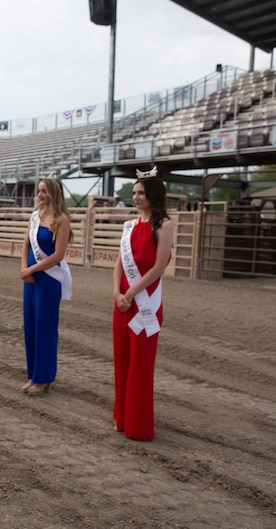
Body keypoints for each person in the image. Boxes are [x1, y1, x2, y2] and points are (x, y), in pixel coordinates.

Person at [112, 167, 173, 441]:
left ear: (152, 194)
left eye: (140, 192)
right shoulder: (129, 227)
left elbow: (159, 267)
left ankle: (138, 424)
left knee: (141, 365)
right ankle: (122, 418)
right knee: (122, 361)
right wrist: (117, 293)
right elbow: (118, 265)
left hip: (144, 304)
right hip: (122, 302)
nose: (135, 197)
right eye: (134, 193)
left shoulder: (164, 226)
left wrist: (131, 293)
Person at [19, 178, 73, 396]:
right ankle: (33, 374)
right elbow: (25, 244)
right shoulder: (35, 216)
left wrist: (32, 270)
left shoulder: (61, 219)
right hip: (30, 279)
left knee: (45, 328)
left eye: (44, 191)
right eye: (39, 191)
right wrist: (25, 268)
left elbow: (58, 255)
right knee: (30, 326)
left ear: (53, 194)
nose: (40, 195)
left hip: (49, 280)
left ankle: (44, 378)